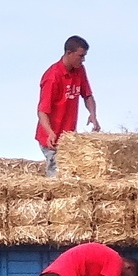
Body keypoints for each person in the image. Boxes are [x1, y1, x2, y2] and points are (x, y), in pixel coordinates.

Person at [34, 35, 99, 177]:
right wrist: (50, 132)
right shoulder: (52, 77)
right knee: (57, 175)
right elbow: (42, 111)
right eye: (81, 56)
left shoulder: (79, 70)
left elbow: (87, 95)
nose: (83, 60)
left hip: (68, 138)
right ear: (69, 53)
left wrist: (92, 114)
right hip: (51, 138)